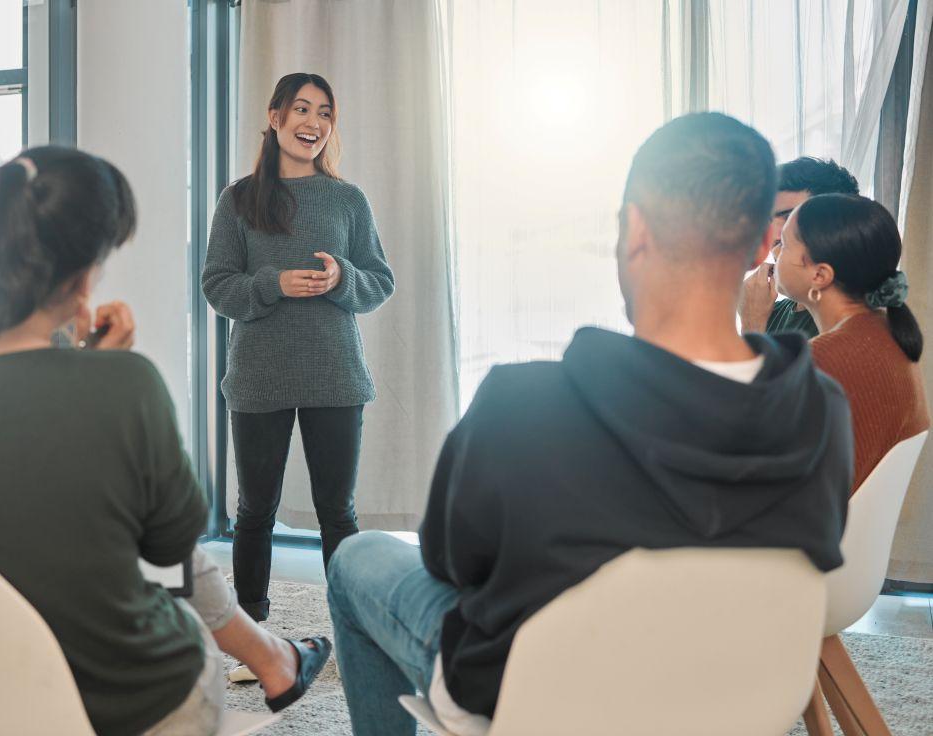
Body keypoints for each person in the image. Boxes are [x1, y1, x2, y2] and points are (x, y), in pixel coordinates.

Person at [325, 113, 854, 736]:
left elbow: (451, 563)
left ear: (634, 230)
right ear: (766, 246)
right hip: (730, 697)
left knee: (356, 557)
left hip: (535, 700)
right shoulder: (821, 410)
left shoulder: (522, 403)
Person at [0, 147, 329, 736]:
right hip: (122, 707)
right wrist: (106, 380)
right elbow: (169, 553)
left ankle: (274, 657)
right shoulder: (125, 387)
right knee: (185, 619)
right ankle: (274, 659)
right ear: (85, 275)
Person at [202, 72, 395, 623]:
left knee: (338, 512)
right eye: (303, 110)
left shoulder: (347, 199)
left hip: (335, 376)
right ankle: (251, 627)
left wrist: (343, 279)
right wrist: (273, 284)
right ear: (275, 116)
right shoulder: (238, 200)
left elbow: (380, 281)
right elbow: (217, 285)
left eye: (325, 113)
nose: (314, 123)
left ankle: (350, 626)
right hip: (259, 377)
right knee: (254, 511)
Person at [775, 193, 929, 490]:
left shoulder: (825, 358)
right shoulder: (887, 331)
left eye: (784, 244)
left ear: (819, 275)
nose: (775, 253)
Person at [740, 157, 859, 338]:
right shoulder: (769, 312)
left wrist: (752, 325)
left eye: (790, 217)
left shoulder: (852, 325)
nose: (773, 235)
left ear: (837, 226)